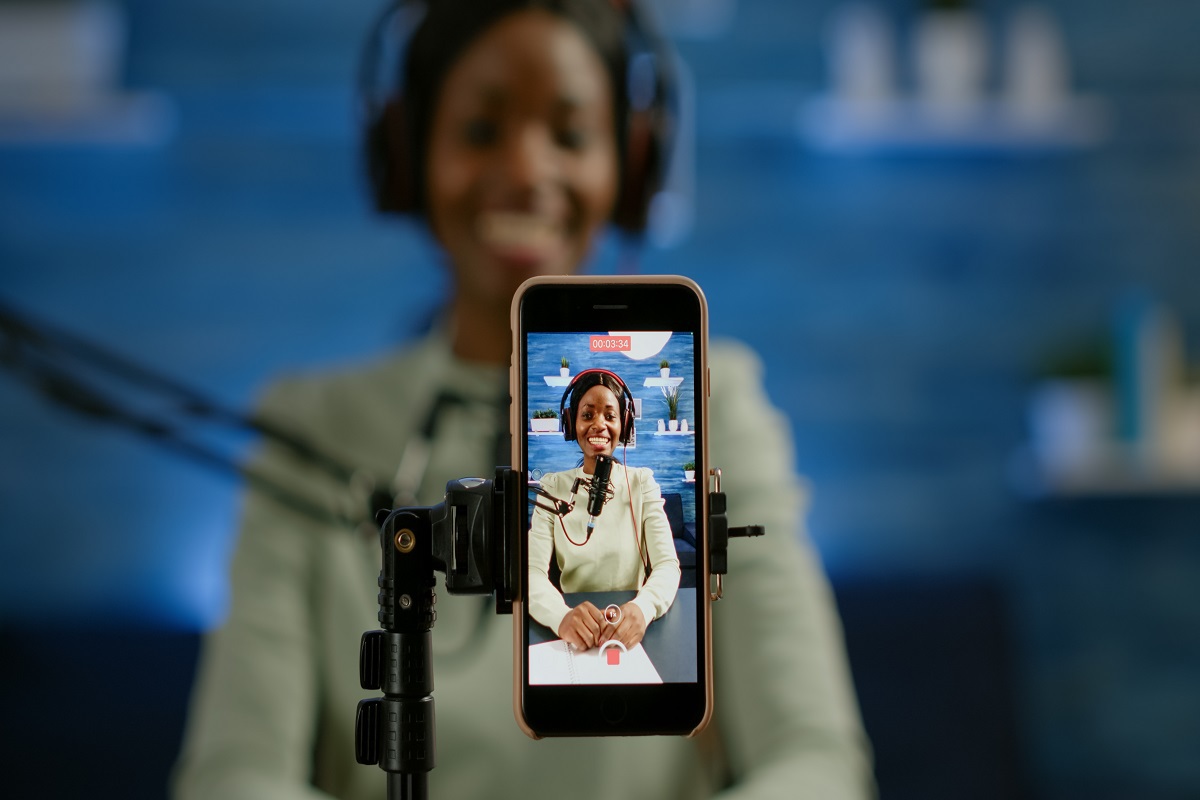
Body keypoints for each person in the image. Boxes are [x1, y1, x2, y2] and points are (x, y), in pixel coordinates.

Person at [172, 0, 877, 798]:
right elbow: (232, 778)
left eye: (571, 135)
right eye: (480, 131)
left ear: (631, 161)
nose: (527, 169)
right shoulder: (308, 428)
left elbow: (818, 765)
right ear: (407, 153)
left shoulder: (712, 409)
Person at [527, 368, 681, 650]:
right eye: (587, 415)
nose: (599, 425)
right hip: (576, 631)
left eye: (610, 416)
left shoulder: (642, 482)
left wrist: (643, 609)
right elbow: (531, 572)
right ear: (571, 423)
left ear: (625, 425)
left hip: (630, 628)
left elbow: (667, 566)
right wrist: (561, 617)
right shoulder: (552, 487)